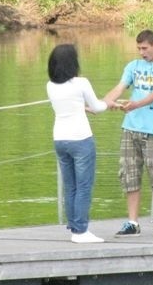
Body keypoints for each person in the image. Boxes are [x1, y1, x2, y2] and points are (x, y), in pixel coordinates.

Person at [104, 29, 153, 237]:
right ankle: (132, 222)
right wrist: (103, 103)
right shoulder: (133, 66)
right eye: (139, 48)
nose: (141, 52)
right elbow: (119, 88)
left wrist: (136, 104)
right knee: (130, 175)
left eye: (145, 48)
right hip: (130, 129)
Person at [46, 43, 108, 244]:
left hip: (60, 139)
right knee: (84, 186)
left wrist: (85, 107)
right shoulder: (81, 83)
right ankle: (81, 231)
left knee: (70, 185)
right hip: (80, 139)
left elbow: (73, 104)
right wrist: (109, 103)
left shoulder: (50, 85)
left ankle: (74, 226)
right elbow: (97, 107)